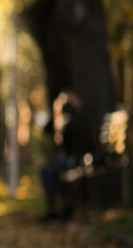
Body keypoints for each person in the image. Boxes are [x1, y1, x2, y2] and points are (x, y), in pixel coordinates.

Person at [39, 91, 96, 222]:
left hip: (77, 159)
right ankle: (58, 205)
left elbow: (66, 146)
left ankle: (62, 203)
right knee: (48, 171)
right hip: (77, 159)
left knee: (49, 172)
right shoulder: (70, 120)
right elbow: (47, 129)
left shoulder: (74, 121)